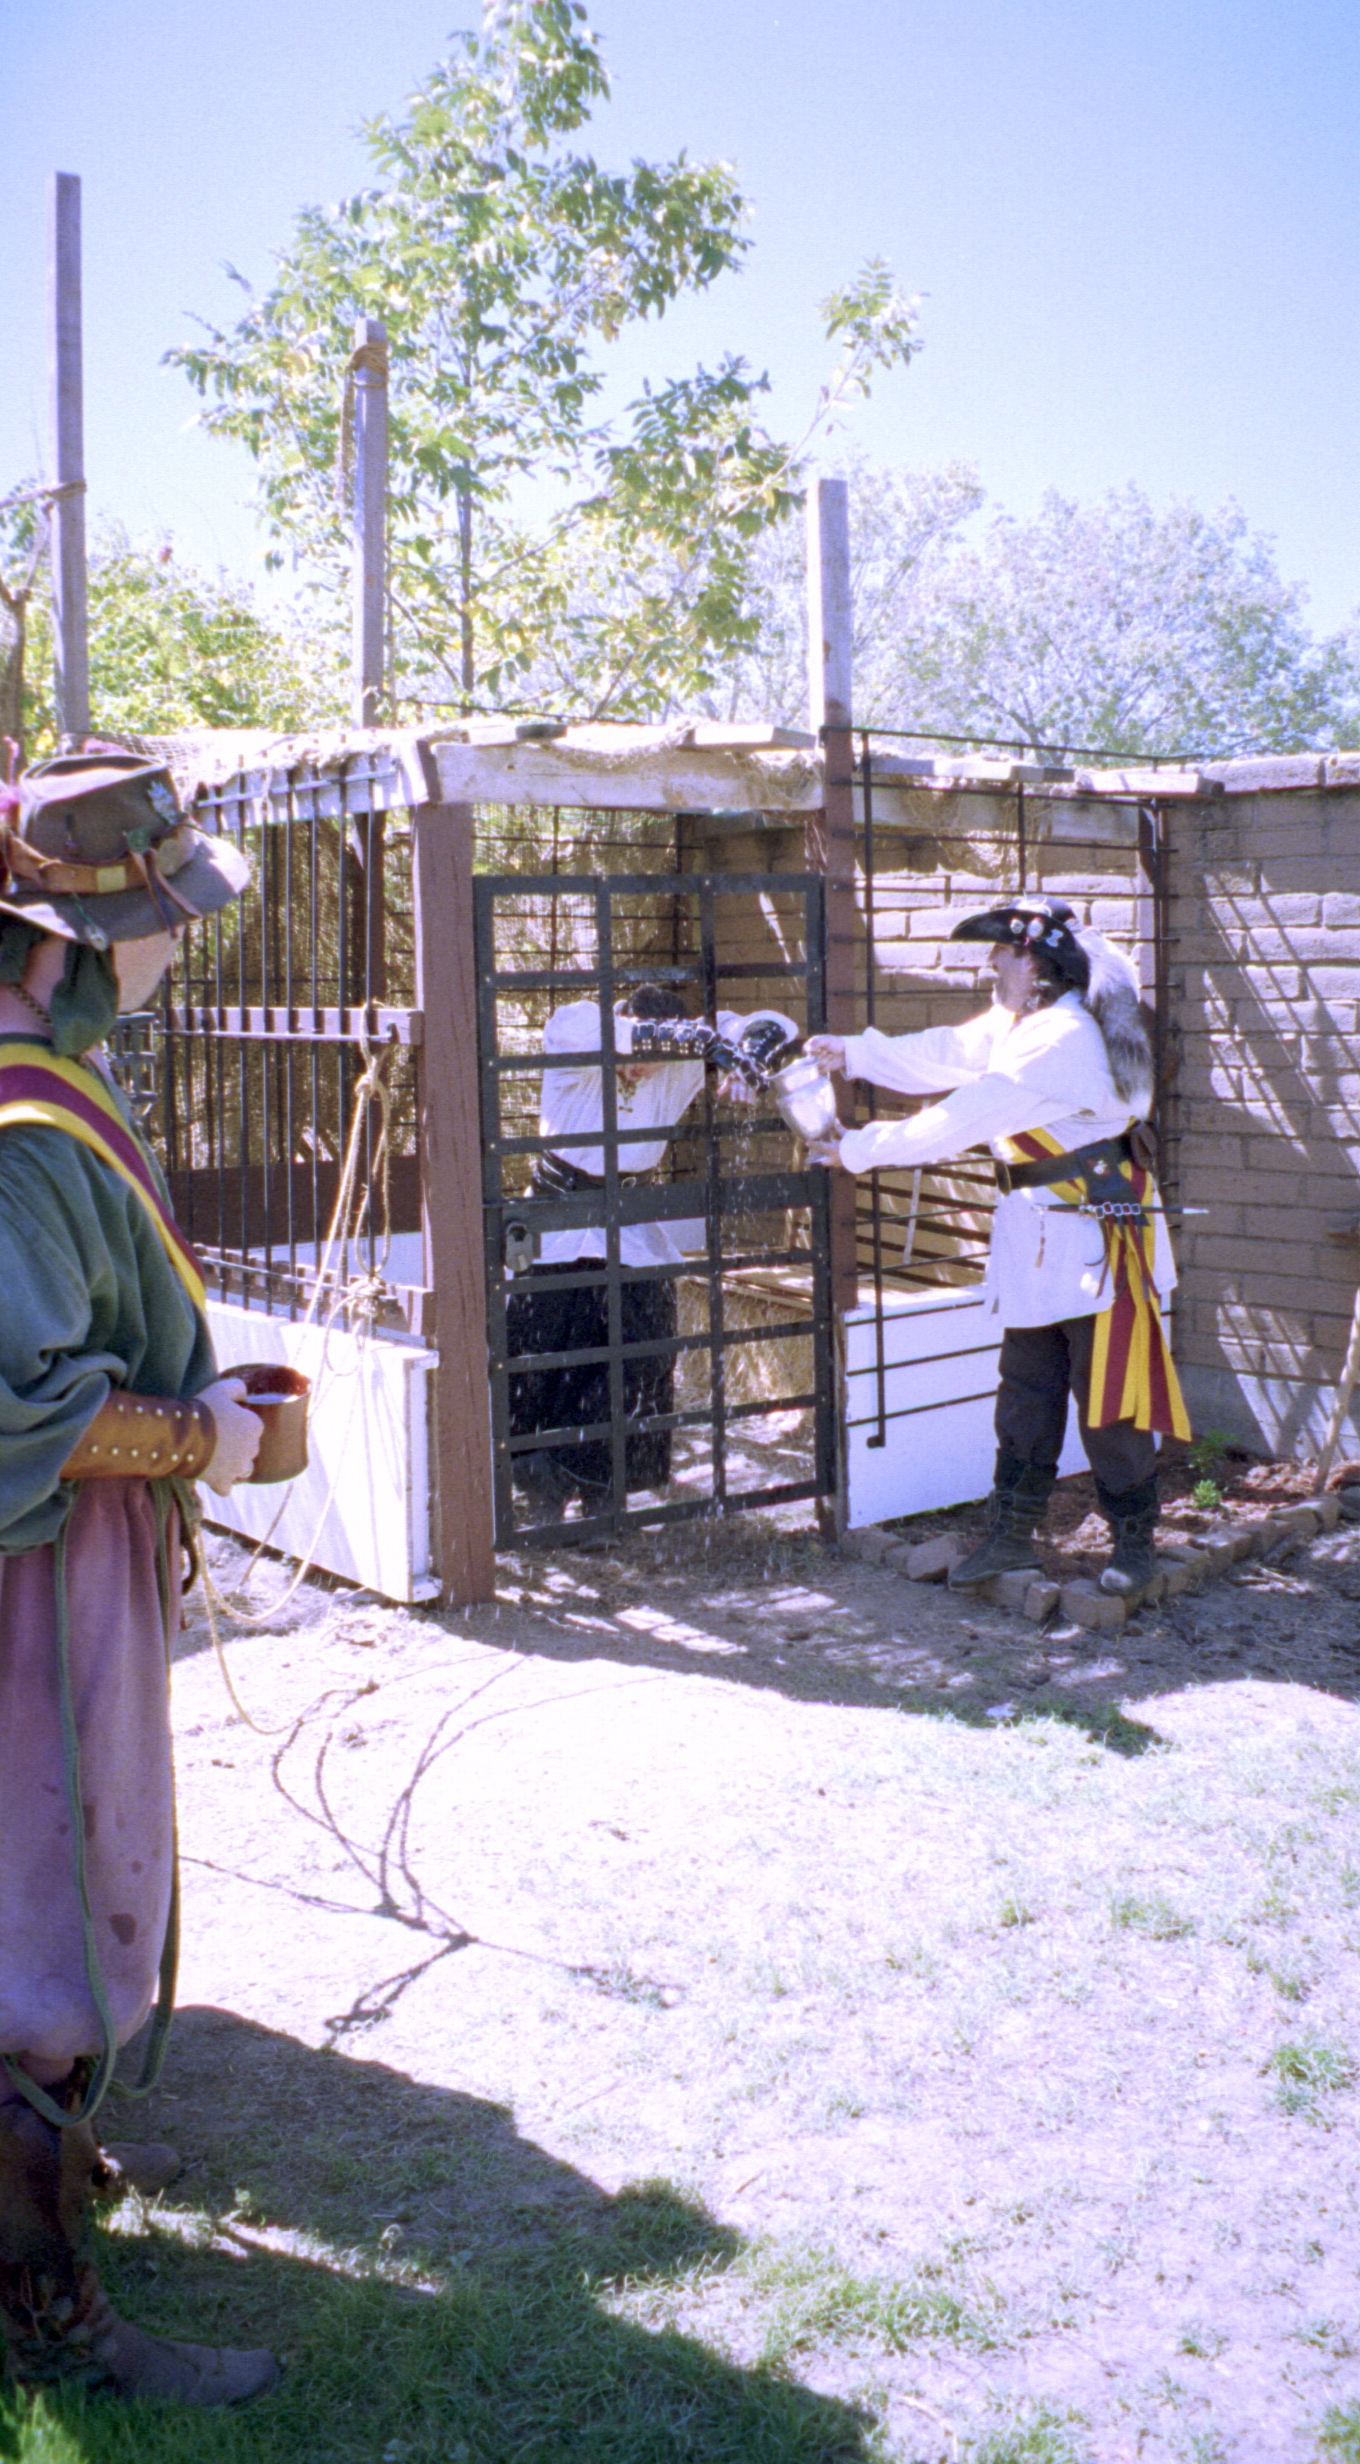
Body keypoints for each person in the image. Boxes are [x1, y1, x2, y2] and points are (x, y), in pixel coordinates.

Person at [0, 748, 280, 2404]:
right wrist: (204, 1437)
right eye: (159, 918)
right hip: (35, 1568)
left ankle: (52, 2164)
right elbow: (15, 1404)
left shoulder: (42, 1073)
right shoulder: (22, 1132)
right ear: (64, 947)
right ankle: (49, 2314)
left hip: (64, 1542)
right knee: (41, 1907)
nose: (180, 940)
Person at [808, 895, 1189, 1595]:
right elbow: (949, 1052)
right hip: (1040, 1241)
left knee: (1109, 1402)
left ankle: (1134, 1546)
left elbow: (964, 1117)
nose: (989, 965)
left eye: (1001, 954)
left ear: (1036, 966)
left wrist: (859, 1149)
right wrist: (854, 1053)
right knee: (1025, 1395)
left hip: (1099, 1240)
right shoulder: (1025, 1024)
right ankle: (1011, 1538)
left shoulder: (1061, 1038)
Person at [508, 985, 796, 1522]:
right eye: (643, 1054)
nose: (644, 1069)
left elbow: (775, 1021)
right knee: (548, 1351)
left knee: (643, 1352)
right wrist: (689, 1040)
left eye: (659, 1059)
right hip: (558, 1216)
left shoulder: (682, 1057)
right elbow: (599, 1030)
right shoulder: (581, 1029)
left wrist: (746, 1055)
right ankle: (542, 1488)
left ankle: (598, 1485)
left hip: (631, 1220)